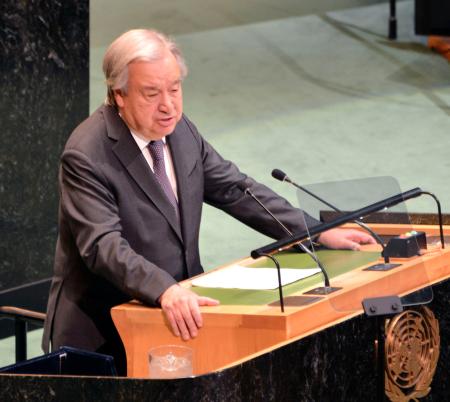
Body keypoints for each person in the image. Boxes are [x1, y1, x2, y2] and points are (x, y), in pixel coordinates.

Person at [42, 29, 373, 375]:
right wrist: (164, 290)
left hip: (178, 318)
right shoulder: (87, 154)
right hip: (103, 335)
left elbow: (236, 189)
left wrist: (315, 231)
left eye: (174, 89)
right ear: (119, 95)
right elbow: (103, 246)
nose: (168, 105)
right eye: (151, 93)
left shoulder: (180, 131)